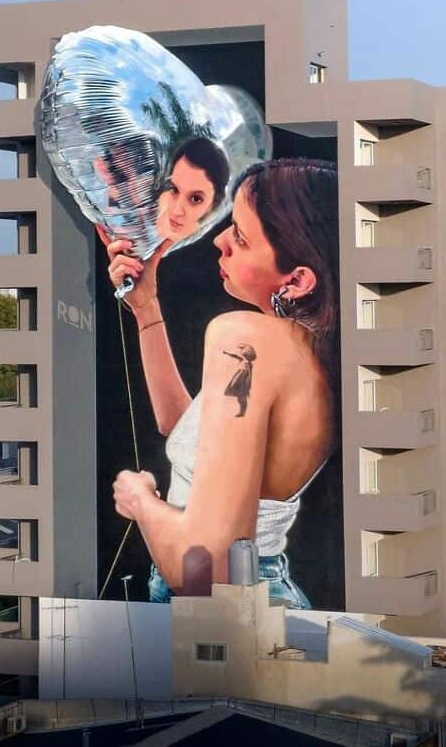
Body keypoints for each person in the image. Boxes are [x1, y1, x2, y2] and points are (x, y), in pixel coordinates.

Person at [106, 159, 339, 608]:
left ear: (296, 280)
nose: (219, 240)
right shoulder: (310, 350)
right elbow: (192, 433)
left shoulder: (244, 338)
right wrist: (145, 308)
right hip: (269, 600)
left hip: (224, 617)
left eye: (241, 236)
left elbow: (204, 573)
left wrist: (141, 502)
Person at [95, 136, 229, 247]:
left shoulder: (207, 245)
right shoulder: (157, 200)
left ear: (214, 203)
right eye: (174, 189)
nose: (176, 211)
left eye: (195, 199)